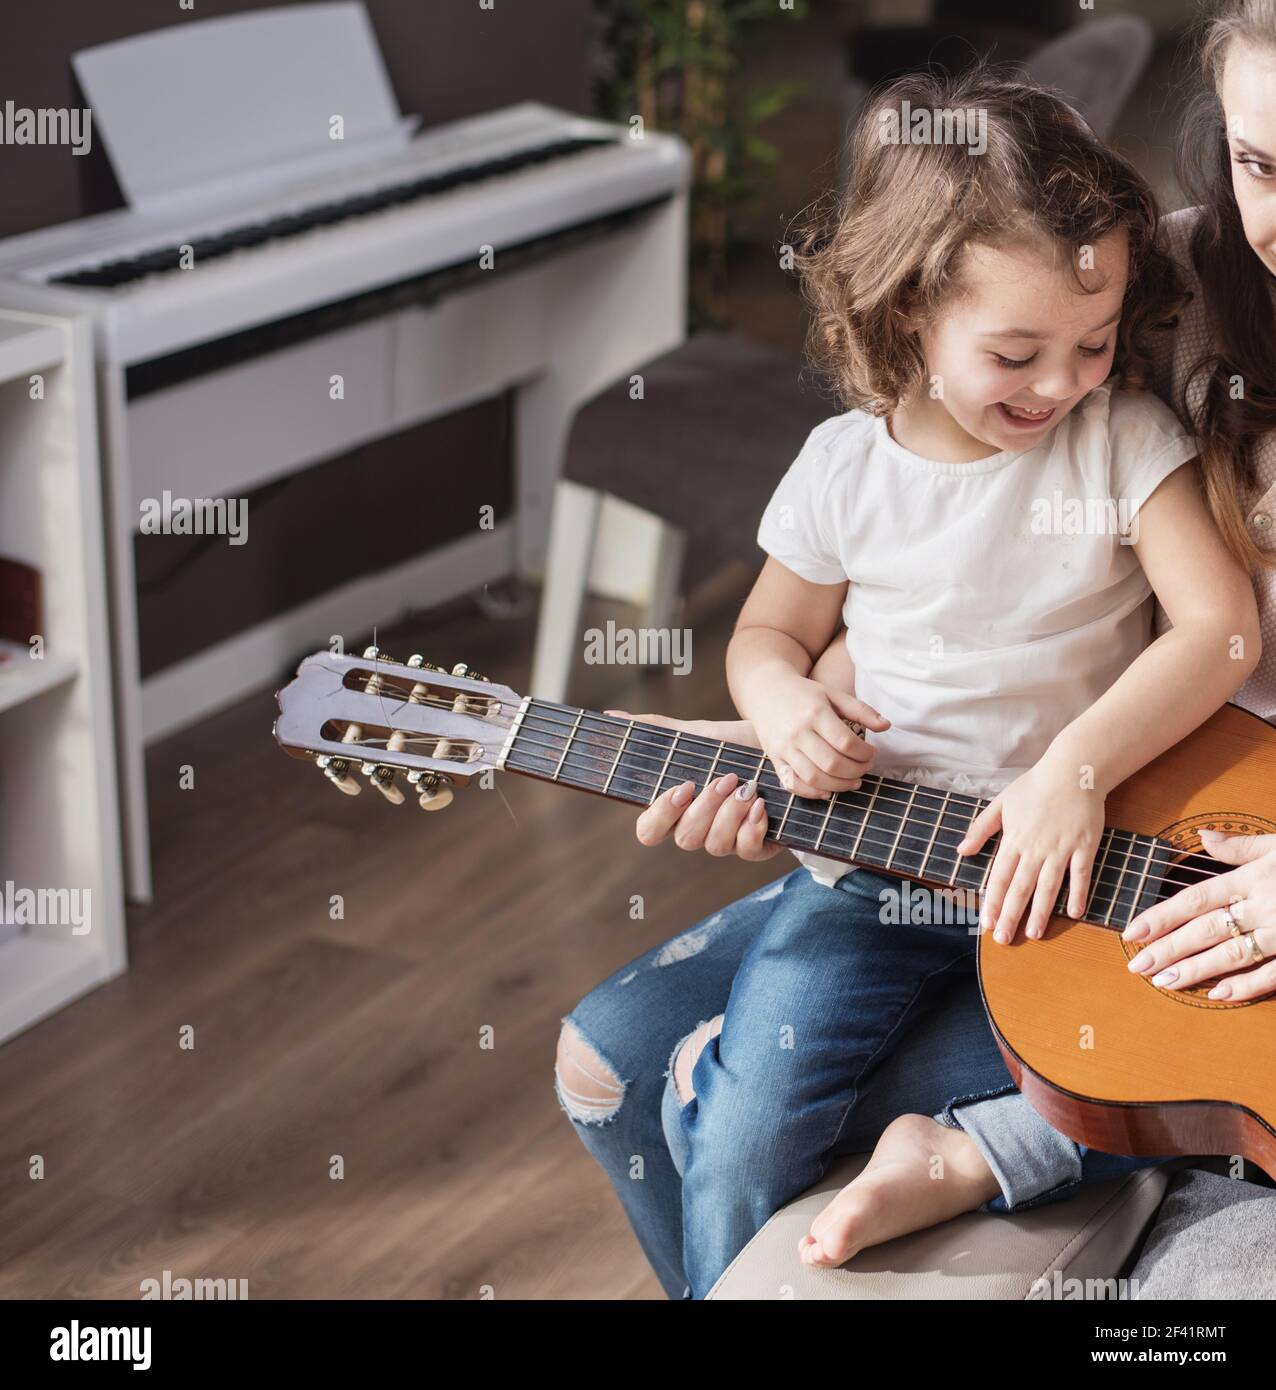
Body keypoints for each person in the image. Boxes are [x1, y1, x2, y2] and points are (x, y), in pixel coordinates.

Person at [557, 3, 1276, 1301]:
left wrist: (1072, 768)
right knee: (714, 1111)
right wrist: (788, 709)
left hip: (1096, 855)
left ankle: (969, 1155)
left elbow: (1217, 626)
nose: (1064, 382)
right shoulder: (863, 457)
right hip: (887, 863)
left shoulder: (1113, 434)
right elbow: (787, 631)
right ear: (907, 311)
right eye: (1260, 160)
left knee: (1130, 1063)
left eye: (1095, 348)